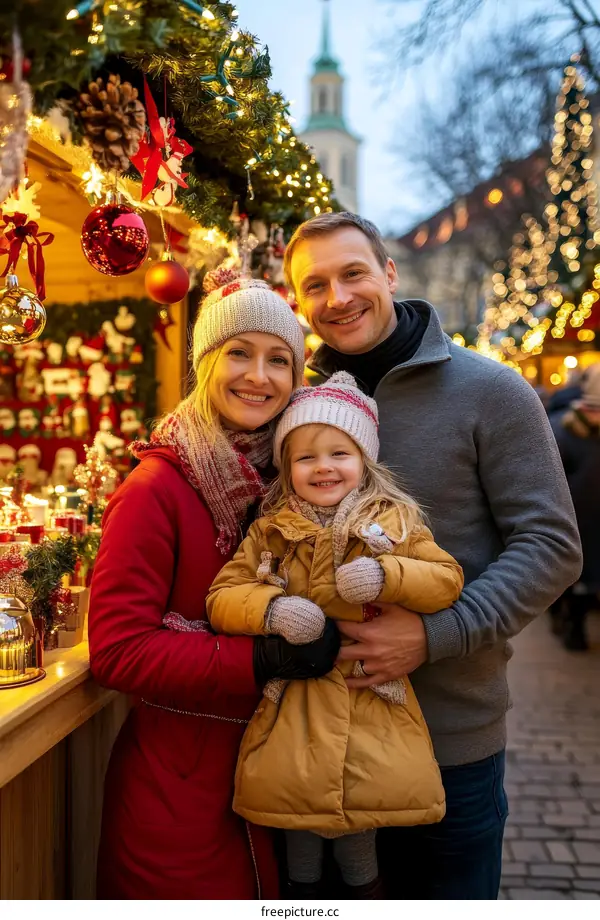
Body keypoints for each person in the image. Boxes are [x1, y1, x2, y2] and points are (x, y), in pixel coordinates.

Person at [282, 211, 583, 900]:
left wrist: (434, 634)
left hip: (449, 742)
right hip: (319, 741)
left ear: (389, 274)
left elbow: (552, 545)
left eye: (353, 273)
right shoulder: (298, 404)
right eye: (315, 285)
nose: (338, 298)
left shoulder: (491, 390)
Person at [88, 277, 340, 899]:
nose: (258, 376)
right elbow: (117, 650)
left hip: (283, 777)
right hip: (181, 794)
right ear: (205, 364)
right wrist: (261, 658)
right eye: (238, 353)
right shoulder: (155, 489)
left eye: (278, 359)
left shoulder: (295, 481)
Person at [207, 372, 464, 899]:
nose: (323, 466)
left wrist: (387, 575)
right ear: (287, 468)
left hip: (370, 703)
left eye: (339, 453)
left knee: (359, 839)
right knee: (298, 831)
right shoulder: (271, 530)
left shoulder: (394, 522)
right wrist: (273, 609)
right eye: (306, 457)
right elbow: (223, 596)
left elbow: (445, 579)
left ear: (363, 459)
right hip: (293, 710)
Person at [550, 362, 600, 651]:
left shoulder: (562, 427)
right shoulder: (563, 429)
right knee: (577, 575)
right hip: (576, 517)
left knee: (579, 577)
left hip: (579, 515)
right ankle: (571, 624)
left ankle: (570, 622)